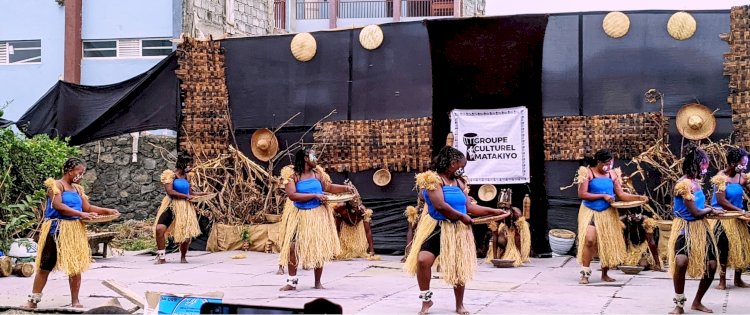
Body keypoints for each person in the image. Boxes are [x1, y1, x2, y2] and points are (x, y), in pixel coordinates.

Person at [404, 146, 510, 315]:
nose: (463, 169)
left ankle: (459, 305)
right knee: (423, 261)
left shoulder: (460, 182)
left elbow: (469, 207)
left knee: (458, 267)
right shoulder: (433, 180)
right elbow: (440, 205)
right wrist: (462, 217)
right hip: (437, 227)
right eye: (461, 165)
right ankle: (426, 301)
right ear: (452, 164)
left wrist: (493, 211)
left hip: (458, 231)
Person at [24, 158, 120, 309]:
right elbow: (58, 205)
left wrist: (107, 210)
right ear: (70, 172)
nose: (81, 176)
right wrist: (80, 214)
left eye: (82, 173)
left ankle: (75, 300)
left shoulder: (77, 189)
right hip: (56, 228)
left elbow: (87, 207)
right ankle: (33, 300)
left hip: (74, 230)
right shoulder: (56, 185)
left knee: (75, 266)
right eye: (79, 173)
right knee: (45, 265)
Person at [277, 147, 355, 291]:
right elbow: (292, 195)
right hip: (300, 215)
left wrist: (345, 188)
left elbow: (329, 187)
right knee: (293, 247)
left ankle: (318, 282)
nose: (316, 159)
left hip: (318, 214)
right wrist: (314, 195)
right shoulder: (292, 176)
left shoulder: (318, 174)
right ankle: (291, 283)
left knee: (318, 247)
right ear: (306, 159)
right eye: (313, 157)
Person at [576, 149, 648, 284]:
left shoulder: (613, 174)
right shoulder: (587, 173)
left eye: (611, 163)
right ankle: (585, 273)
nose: (609, 166)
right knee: (589, 240)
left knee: (607, 242)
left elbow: (621, 195)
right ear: (598, 162)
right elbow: (582, 194)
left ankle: (604, 274)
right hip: (590, 211)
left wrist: (638, 197)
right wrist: (602, 195)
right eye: (606, 163)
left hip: (608, 212)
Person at [669, 144, 723, 314]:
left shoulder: (695, 183)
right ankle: (679, 303)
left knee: (712, 265)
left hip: (701, 229)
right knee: (681, 262)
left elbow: (699, 205)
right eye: (703, 166)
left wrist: (709, 207)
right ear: (694, 165)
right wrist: (711, 210)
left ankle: (697, 302)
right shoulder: (683, 185)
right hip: (684, 227)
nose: (705, 170)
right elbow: (696, 212)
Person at [154, 154, 208, 264]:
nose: (191, 167)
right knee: (159, 229)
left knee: (185, 233)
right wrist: (186, 196)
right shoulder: (170, 175)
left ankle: (183, 257)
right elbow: (171, 192)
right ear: (182, 164)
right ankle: (161, 257)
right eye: (188, 164)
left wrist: (202, 194)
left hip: (184, 207)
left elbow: (190, 193)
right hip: (171, 204)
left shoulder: (187, 177)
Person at [709, 146, 750, 290]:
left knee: (741, 248)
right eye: (743, 163)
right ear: (733, 162)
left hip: (738, 218)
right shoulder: (721, 178)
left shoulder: (742, 177)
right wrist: (741, 210)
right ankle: (722, 280)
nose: (745, 166)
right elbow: (721, 201)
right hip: (723, 218)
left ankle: (738, 279)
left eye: (746, 164)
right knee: (723, 247)